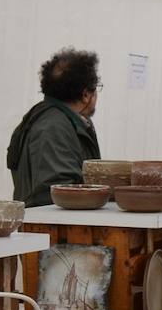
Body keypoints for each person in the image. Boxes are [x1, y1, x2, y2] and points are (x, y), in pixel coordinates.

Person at [7, 48, 102, 207]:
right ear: (86, 95)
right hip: (51, 227)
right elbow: (60, 194)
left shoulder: (67, 121)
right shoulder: (53, 128)